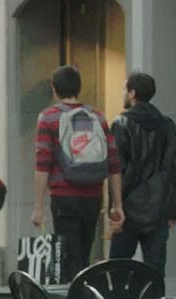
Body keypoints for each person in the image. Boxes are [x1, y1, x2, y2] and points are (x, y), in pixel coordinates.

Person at [31, 65, 124, 281]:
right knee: (84, 254)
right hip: (93, 197)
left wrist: (38, 206)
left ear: (54, 89)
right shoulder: (97, 117)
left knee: (68, 257)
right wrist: (117, 204)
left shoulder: (48, 118)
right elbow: (114, 163)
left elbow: (42, 162)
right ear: (79, 88)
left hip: (64, 198)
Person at [110, 72, 176, 283]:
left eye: (125, 89)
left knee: (118, 270)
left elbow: (116, 169)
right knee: (155, 273)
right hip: (159, 208)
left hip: (128, 208)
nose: (123, 93)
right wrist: (173, 210)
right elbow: (175, 170)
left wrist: (115, 208)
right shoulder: (168, 125)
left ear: (132, 93)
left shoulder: (121, 124)